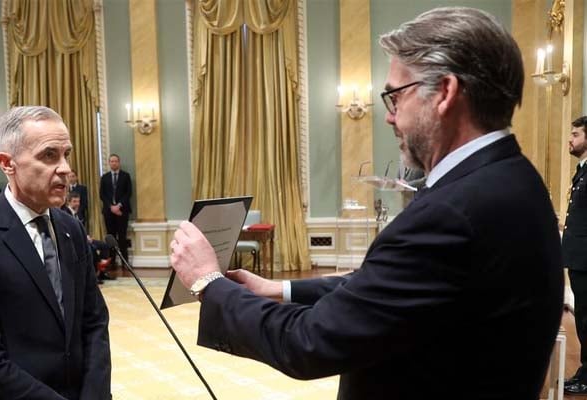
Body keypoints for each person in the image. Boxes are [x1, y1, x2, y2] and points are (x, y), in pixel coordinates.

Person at [170, 7, 563, 399]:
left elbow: (309, 343)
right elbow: (384, 291)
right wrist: (281, 290)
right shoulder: (512, 178)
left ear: (445, 92)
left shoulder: (453, 214)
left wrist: (209, 281)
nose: (390, 118)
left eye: (395, 96)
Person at [0, 106, 111, 399]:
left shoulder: (71, 228)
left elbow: (94, 322)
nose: (66, 168)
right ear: (8, 163)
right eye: (49, 155)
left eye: (66, 154)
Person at [562, 116, 587, 394]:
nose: (570, 138)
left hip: (585, 258)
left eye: (576, 134)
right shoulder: (582, 171)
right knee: (582, 315)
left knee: (586, 316)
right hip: (580, 257)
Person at [99, 154, 132, 265]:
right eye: (111, 161)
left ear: (119, 162)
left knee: (122, 237)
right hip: (109, 212)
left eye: (115, 161)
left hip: (122, 211)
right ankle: (112, 262)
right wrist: (111, 207)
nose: (114, 163)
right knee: (111, 237)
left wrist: (119, 205)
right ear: (109, 163)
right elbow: (102, 195)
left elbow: (128, 193)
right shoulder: (105, 177)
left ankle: (125, 263)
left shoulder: (126, 176)